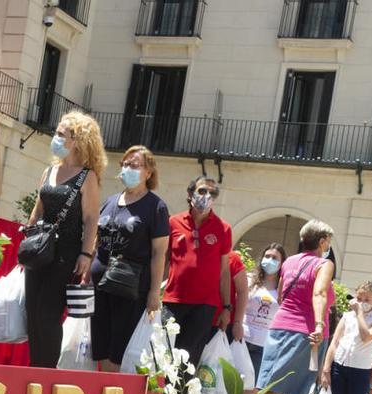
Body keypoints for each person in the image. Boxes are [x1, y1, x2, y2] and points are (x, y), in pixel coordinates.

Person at [22, 111, 103, 367]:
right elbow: (37, 210)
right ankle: (35, 368)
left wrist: (86, 254)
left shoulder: (87, 176)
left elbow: (91, 219)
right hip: (39, 248)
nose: (55, 137)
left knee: (48, 314)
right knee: (32, 313)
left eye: (61, 134)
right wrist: (25, 247)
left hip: (65, 252)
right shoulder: (49, 170)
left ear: (77, 140)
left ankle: (46, 372)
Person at [255, 219, 336, 394]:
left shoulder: (290, 261)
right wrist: (319, 324)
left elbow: (281, 296)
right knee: (294, 388)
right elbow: (319, 293)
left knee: (275, 382)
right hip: (307, 332)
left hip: (280, 326)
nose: (328, 246)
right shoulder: (323, 265)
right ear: (321, 242)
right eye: (328, 241)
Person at [91, 145, 167, 372]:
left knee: (119, 348)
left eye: (134, 165)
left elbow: (158, 253)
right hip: (99, 284)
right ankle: (102, 390)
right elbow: (95, 239)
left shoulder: (156, 207)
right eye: (124, 164)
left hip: (131, 287)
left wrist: (154, 292)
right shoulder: (110, 200)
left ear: (148, 172)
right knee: (100, 345)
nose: (127, 169)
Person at [162, 175, 233, 367]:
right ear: (190, 193)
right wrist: (153, 293)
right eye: (202, 191)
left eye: (212, 193)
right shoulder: (173, 222)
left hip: (204, 305)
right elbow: (163, 260)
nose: (207, 196)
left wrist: (226, 308)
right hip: (172, 301)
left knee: (188, 361)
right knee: (164, 356)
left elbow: (224, 272)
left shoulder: (223, 228)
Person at [243, 243, 287, 377]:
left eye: (275, 258)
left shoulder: (284, 287)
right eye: (267, 256)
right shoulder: (249, 279)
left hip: (264, 345)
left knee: (251, 388)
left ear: (282, 263)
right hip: (242, 339)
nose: (270, 260)